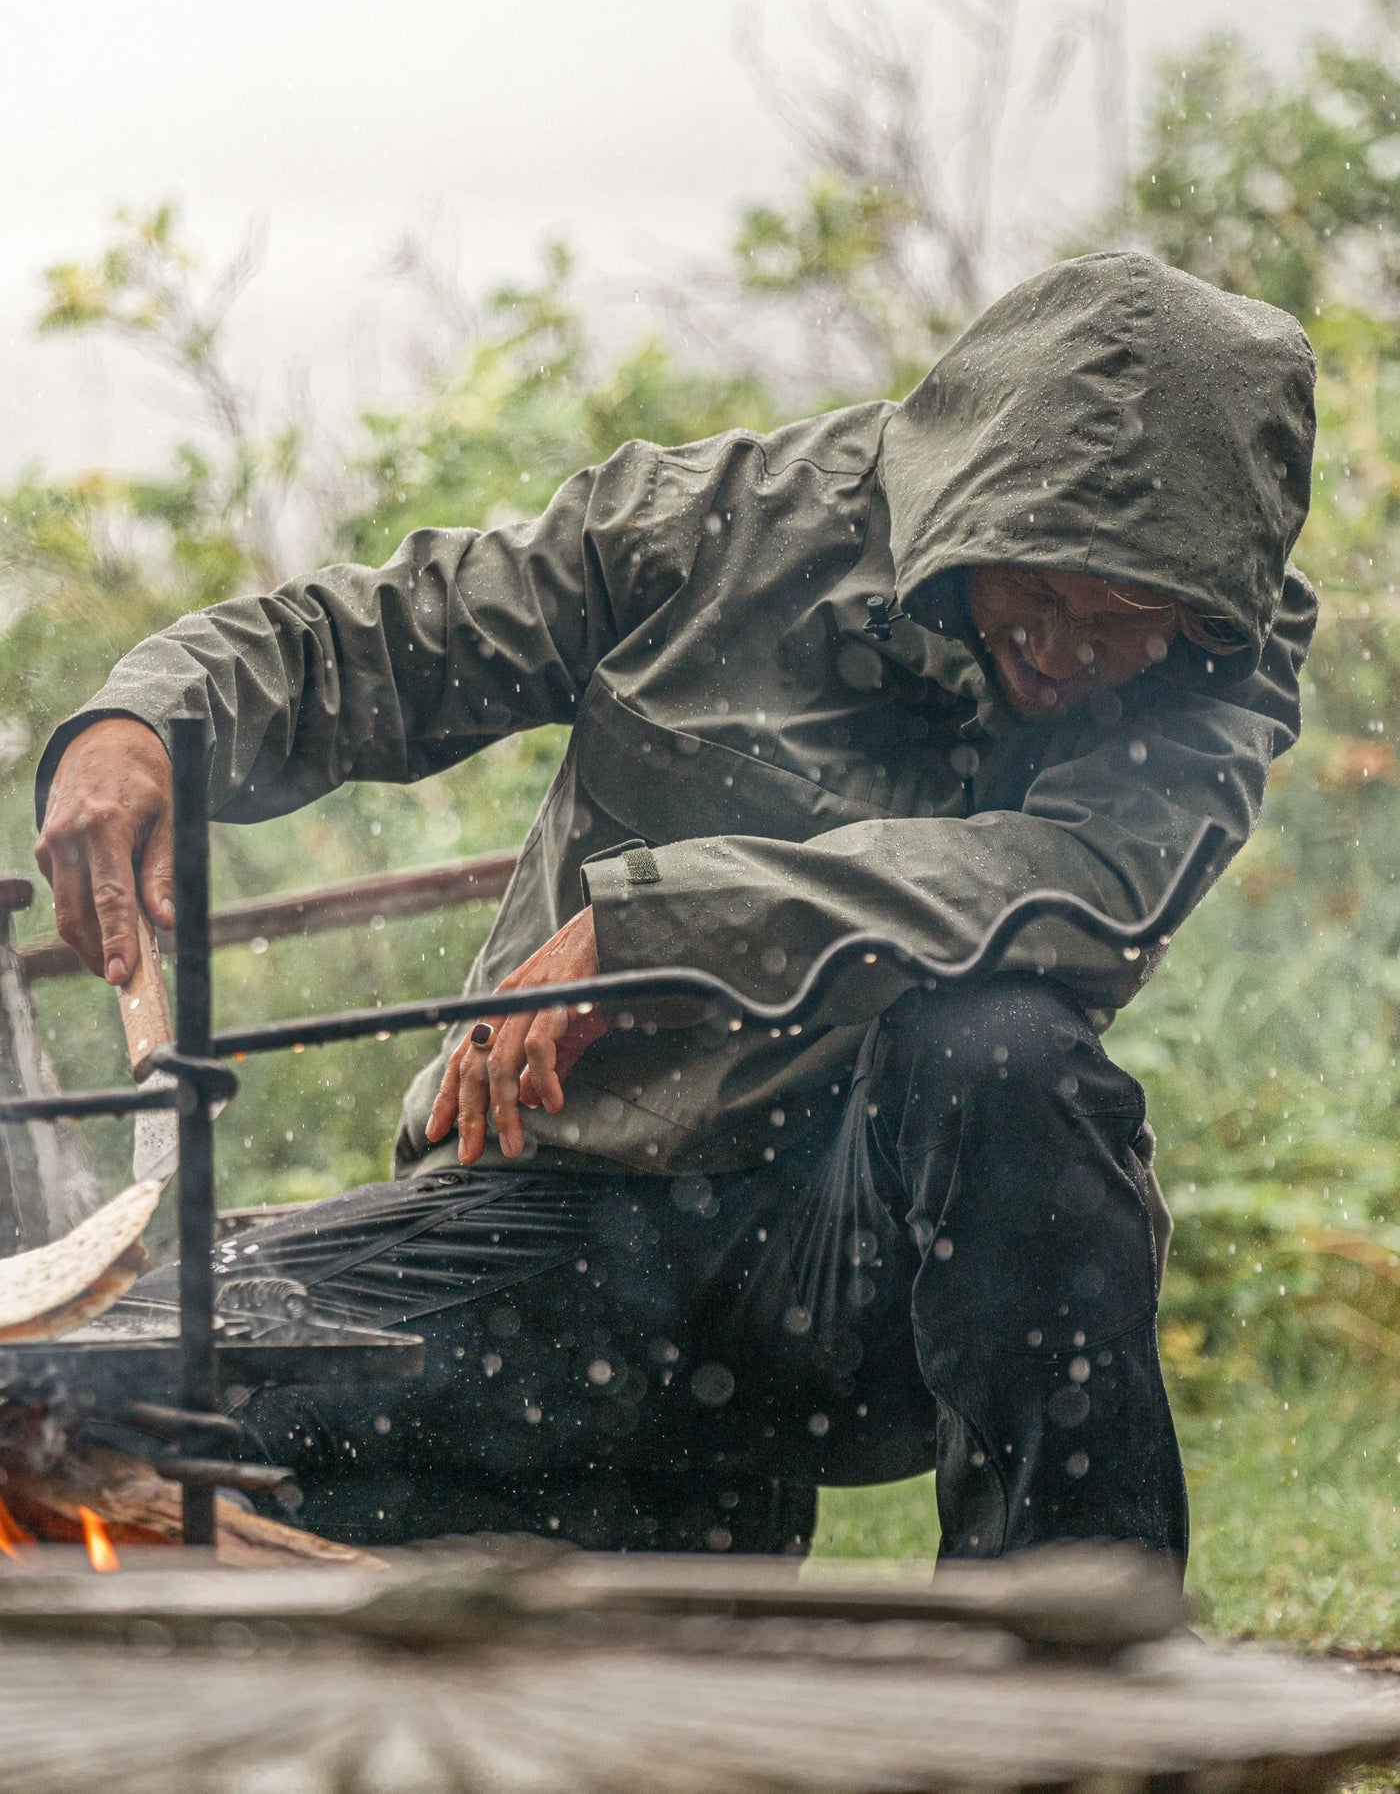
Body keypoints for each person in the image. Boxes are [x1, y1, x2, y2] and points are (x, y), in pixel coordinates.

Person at [35, 251, 1316, 1560]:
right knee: (78, 1394)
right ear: (965, 506)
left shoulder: (1230, 646)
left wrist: (662, 926)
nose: (1070, 645)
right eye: (1036, 590)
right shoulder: (730, 523)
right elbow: (390, 640)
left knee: (1005, 1050)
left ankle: (1078, 1667)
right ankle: (625, 1517)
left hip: (857, 1280)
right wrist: (145, 720)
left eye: (1128, 622)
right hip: (560, 1226)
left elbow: (1085, 884)